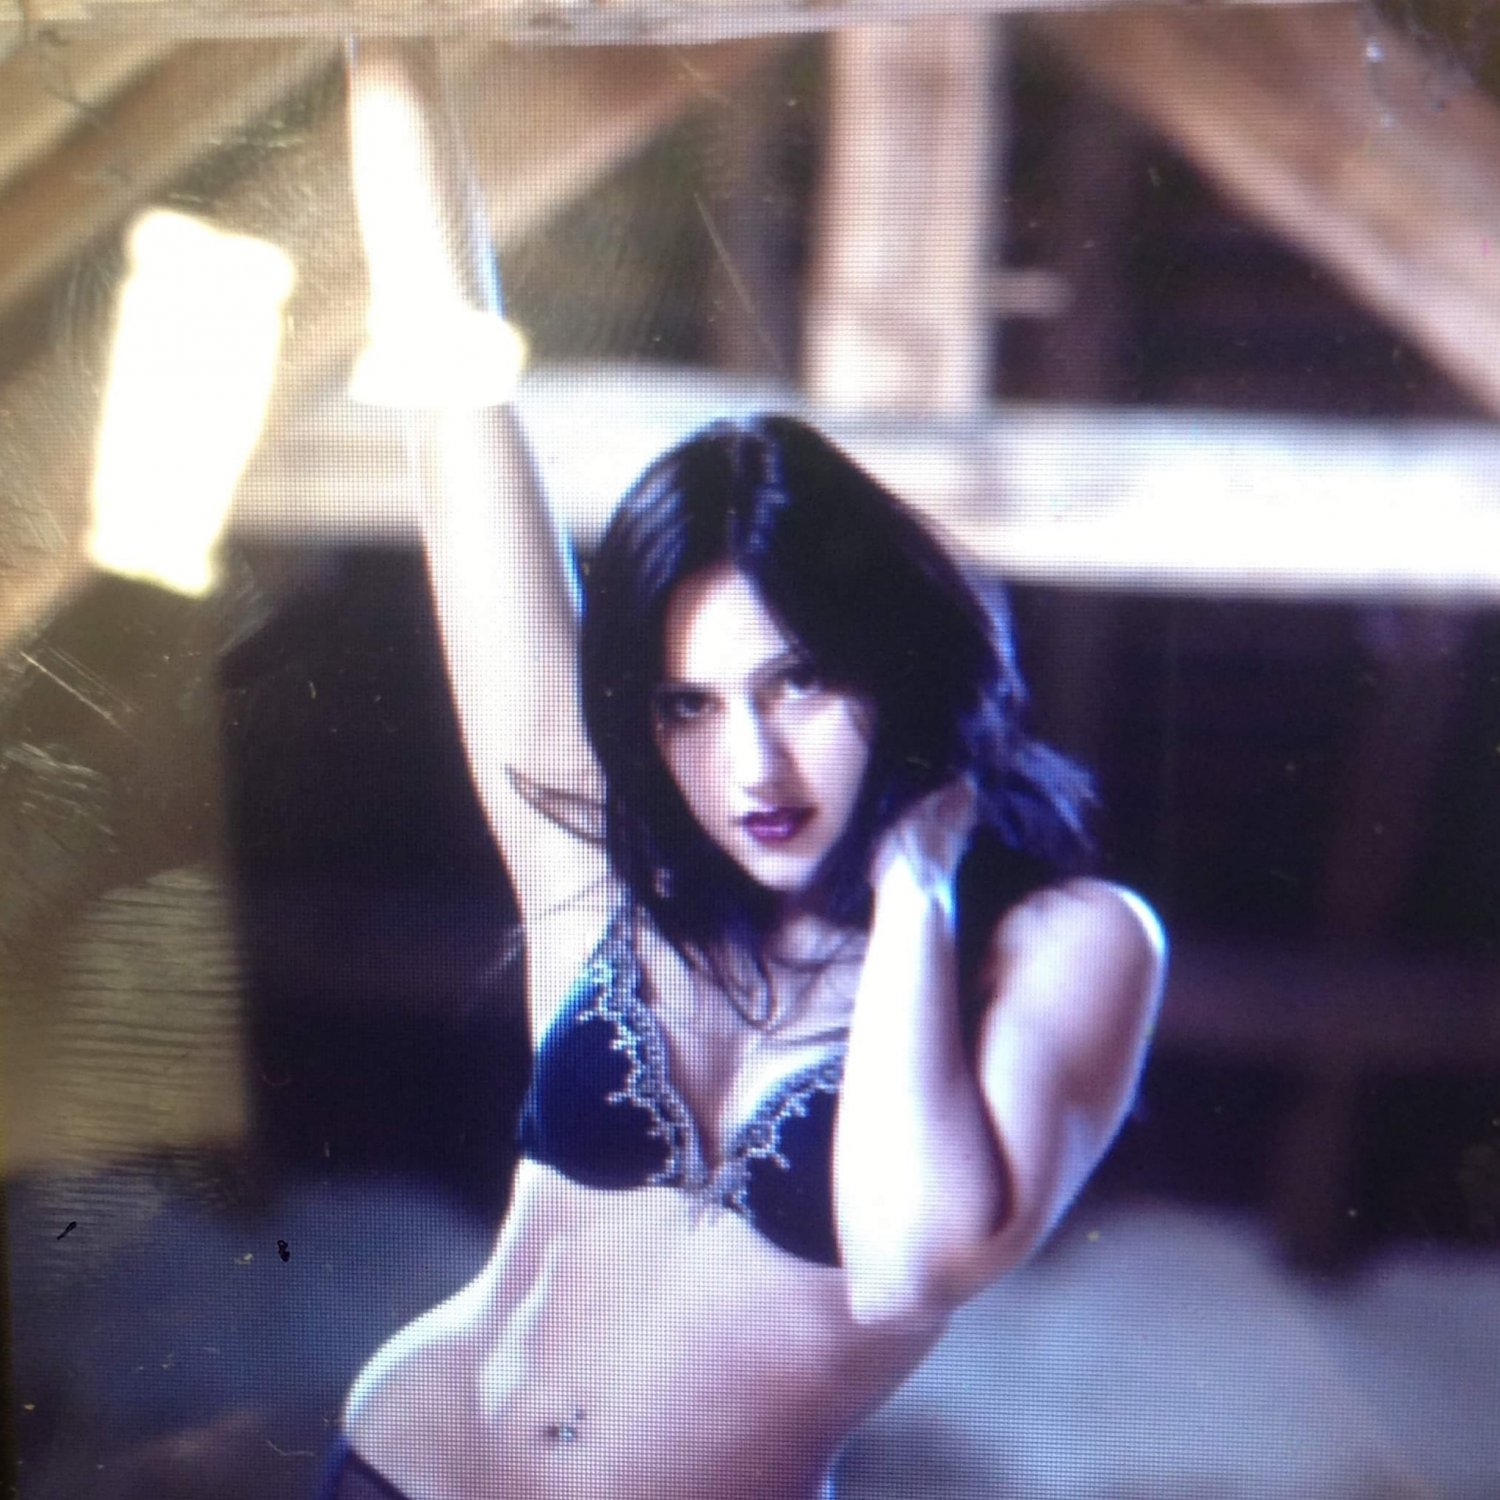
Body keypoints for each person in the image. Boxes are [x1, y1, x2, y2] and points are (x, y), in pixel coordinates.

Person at [324, 42, 1164, 1500]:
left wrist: (916, 894)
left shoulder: (1067, 943)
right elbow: (455, 395)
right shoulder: (610, 867)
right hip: (392, 1466)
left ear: (892, 662)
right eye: (690, 706)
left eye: (799, 684)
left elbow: (905, 1264)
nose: (751, 763)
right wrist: (388, 47)